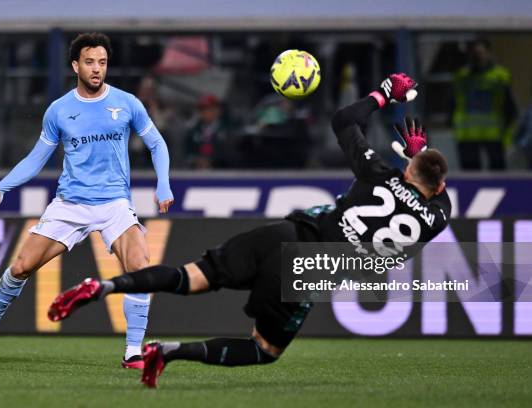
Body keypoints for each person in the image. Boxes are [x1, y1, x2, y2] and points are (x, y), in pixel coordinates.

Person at [48, 73, 451, 388]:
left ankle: (102, 287)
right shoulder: (438, 216)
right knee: (265, 350)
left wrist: (385, 93)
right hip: (307, 271)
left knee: (188, 277)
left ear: (407, 169)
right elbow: (434, 198)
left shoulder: (378, 175)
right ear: (439, 187)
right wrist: (418, 160)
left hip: (285, 235)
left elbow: (344, 119)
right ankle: (168, 352)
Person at [0, 33, 175, 370]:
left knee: (140, 266)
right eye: (89, 62)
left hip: (114, 203)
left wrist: (164, 185)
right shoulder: (59, 110)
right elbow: (36, 158)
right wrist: (3, 186)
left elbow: (157, 144)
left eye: (102, 62)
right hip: (70, 204)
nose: (97, 68)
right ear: (75, 65)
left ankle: (133, 352)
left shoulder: (127, 103)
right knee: (22, 266)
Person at [452, 38, 518, 170]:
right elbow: (453, 103)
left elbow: (510, 107)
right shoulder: (461, 76)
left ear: (488, 52)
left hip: (494, 133)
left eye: (480, 53)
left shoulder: (500, 76)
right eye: (474, 54)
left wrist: (508, 135)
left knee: (498, 173)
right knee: (470, 175)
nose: (477, 57)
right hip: (467, 134)